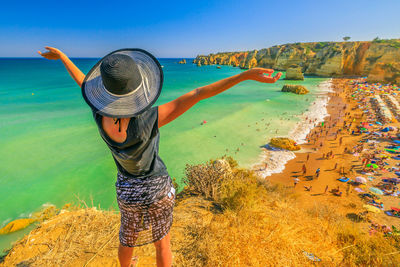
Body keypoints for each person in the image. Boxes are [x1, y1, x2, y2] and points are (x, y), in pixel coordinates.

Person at [38, 46, 282, 267]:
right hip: (157, 188)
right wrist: (244, 75)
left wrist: (62, 57)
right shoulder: (150, 118)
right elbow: (198, 93)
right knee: (162, 244)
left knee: (127, 238)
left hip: (127, 188)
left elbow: (83, 83)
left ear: (104, 92)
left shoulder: (100, 115)